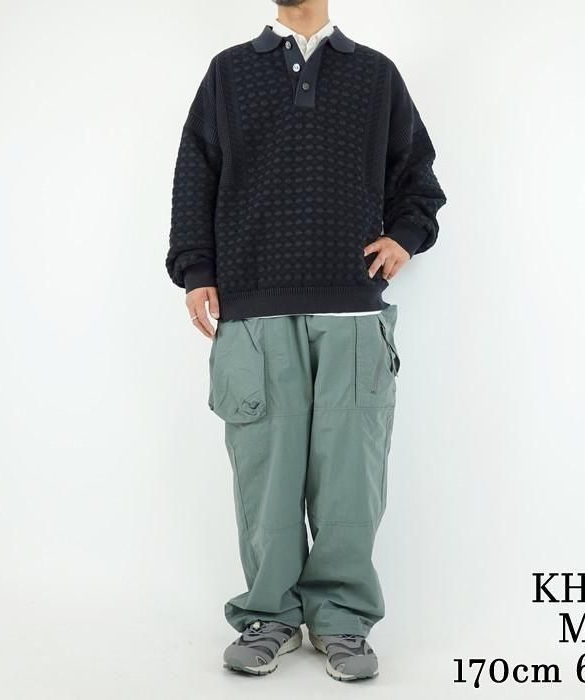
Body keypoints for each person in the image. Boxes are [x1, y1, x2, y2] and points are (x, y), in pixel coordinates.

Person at [165, 0, 446, 682]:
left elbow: (417, 176)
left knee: (351, 481)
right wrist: (196, 270)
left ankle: (342, 620)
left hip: (351, 309)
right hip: (253, 308)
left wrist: (405, 238)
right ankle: (268, 616)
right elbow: (195, 174)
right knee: (266, 479)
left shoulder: (375, 75)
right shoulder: (229, 72)